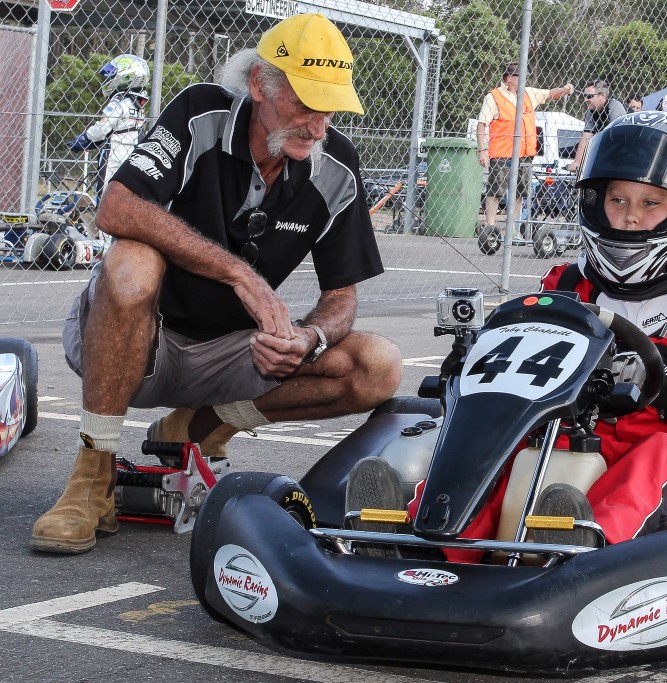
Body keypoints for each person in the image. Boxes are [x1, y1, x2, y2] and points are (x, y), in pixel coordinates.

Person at [30, 13, 403, 555]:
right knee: (133, 259)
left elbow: (341, 297)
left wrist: (308, 339)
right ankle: (94, 475)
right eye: (304, 105)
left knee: (378, 365)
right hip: (135, 339)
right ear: (259, 85)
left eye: (330, 109)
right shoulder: (200, 112)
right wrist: (240, 275)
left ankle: (197, 427)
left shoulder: (336, 165)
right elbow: (116, 207)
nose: (318, 126)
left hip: (230, 355)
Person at [347, 114, 667, 554]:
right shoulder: (567, 285)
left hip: (659, 447)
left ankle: (581, 544)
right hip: (558, 434)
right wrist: (473, 365)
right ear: (595, 202)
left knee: (659, 456)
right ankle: (420, 541)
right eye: (618, 200)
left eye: (650, 204)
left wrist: (664, 387)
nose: (628, 218)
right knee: (499, 449)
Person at [476, 62, 574, 233]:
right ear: (508, 78)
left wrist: (565, 89)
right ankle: (490, 228)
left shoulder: (528, 93)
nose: (524, 80)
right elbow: (482, 124)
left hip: (524, 154)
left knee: (520, 191)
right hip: (502, 153)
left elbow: (550, 93)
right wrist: (482, 150)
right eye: (520, 77)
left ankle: (510, 229)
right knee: (495, 191)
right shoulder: (493, 97)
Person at [66, 54, 150, 239]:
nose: (109, 80)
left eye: (113, 76)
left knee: (105, 196)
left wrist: (83, 138)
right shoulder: (138, 102)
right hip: (132, 151)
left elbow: (103, 128)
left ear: (126, 76)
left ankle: (104, 243)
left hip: (114, 153)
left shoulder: (119, 101)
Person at [568, 80, 627, 173]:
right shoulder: (590, 112)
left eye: (589, 96)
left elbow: (619, 138)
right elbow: (586, 136)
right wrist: (577, 162)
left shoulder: (615, 106)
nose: (585, 100)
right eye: (584, 96)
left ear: (602, 96)